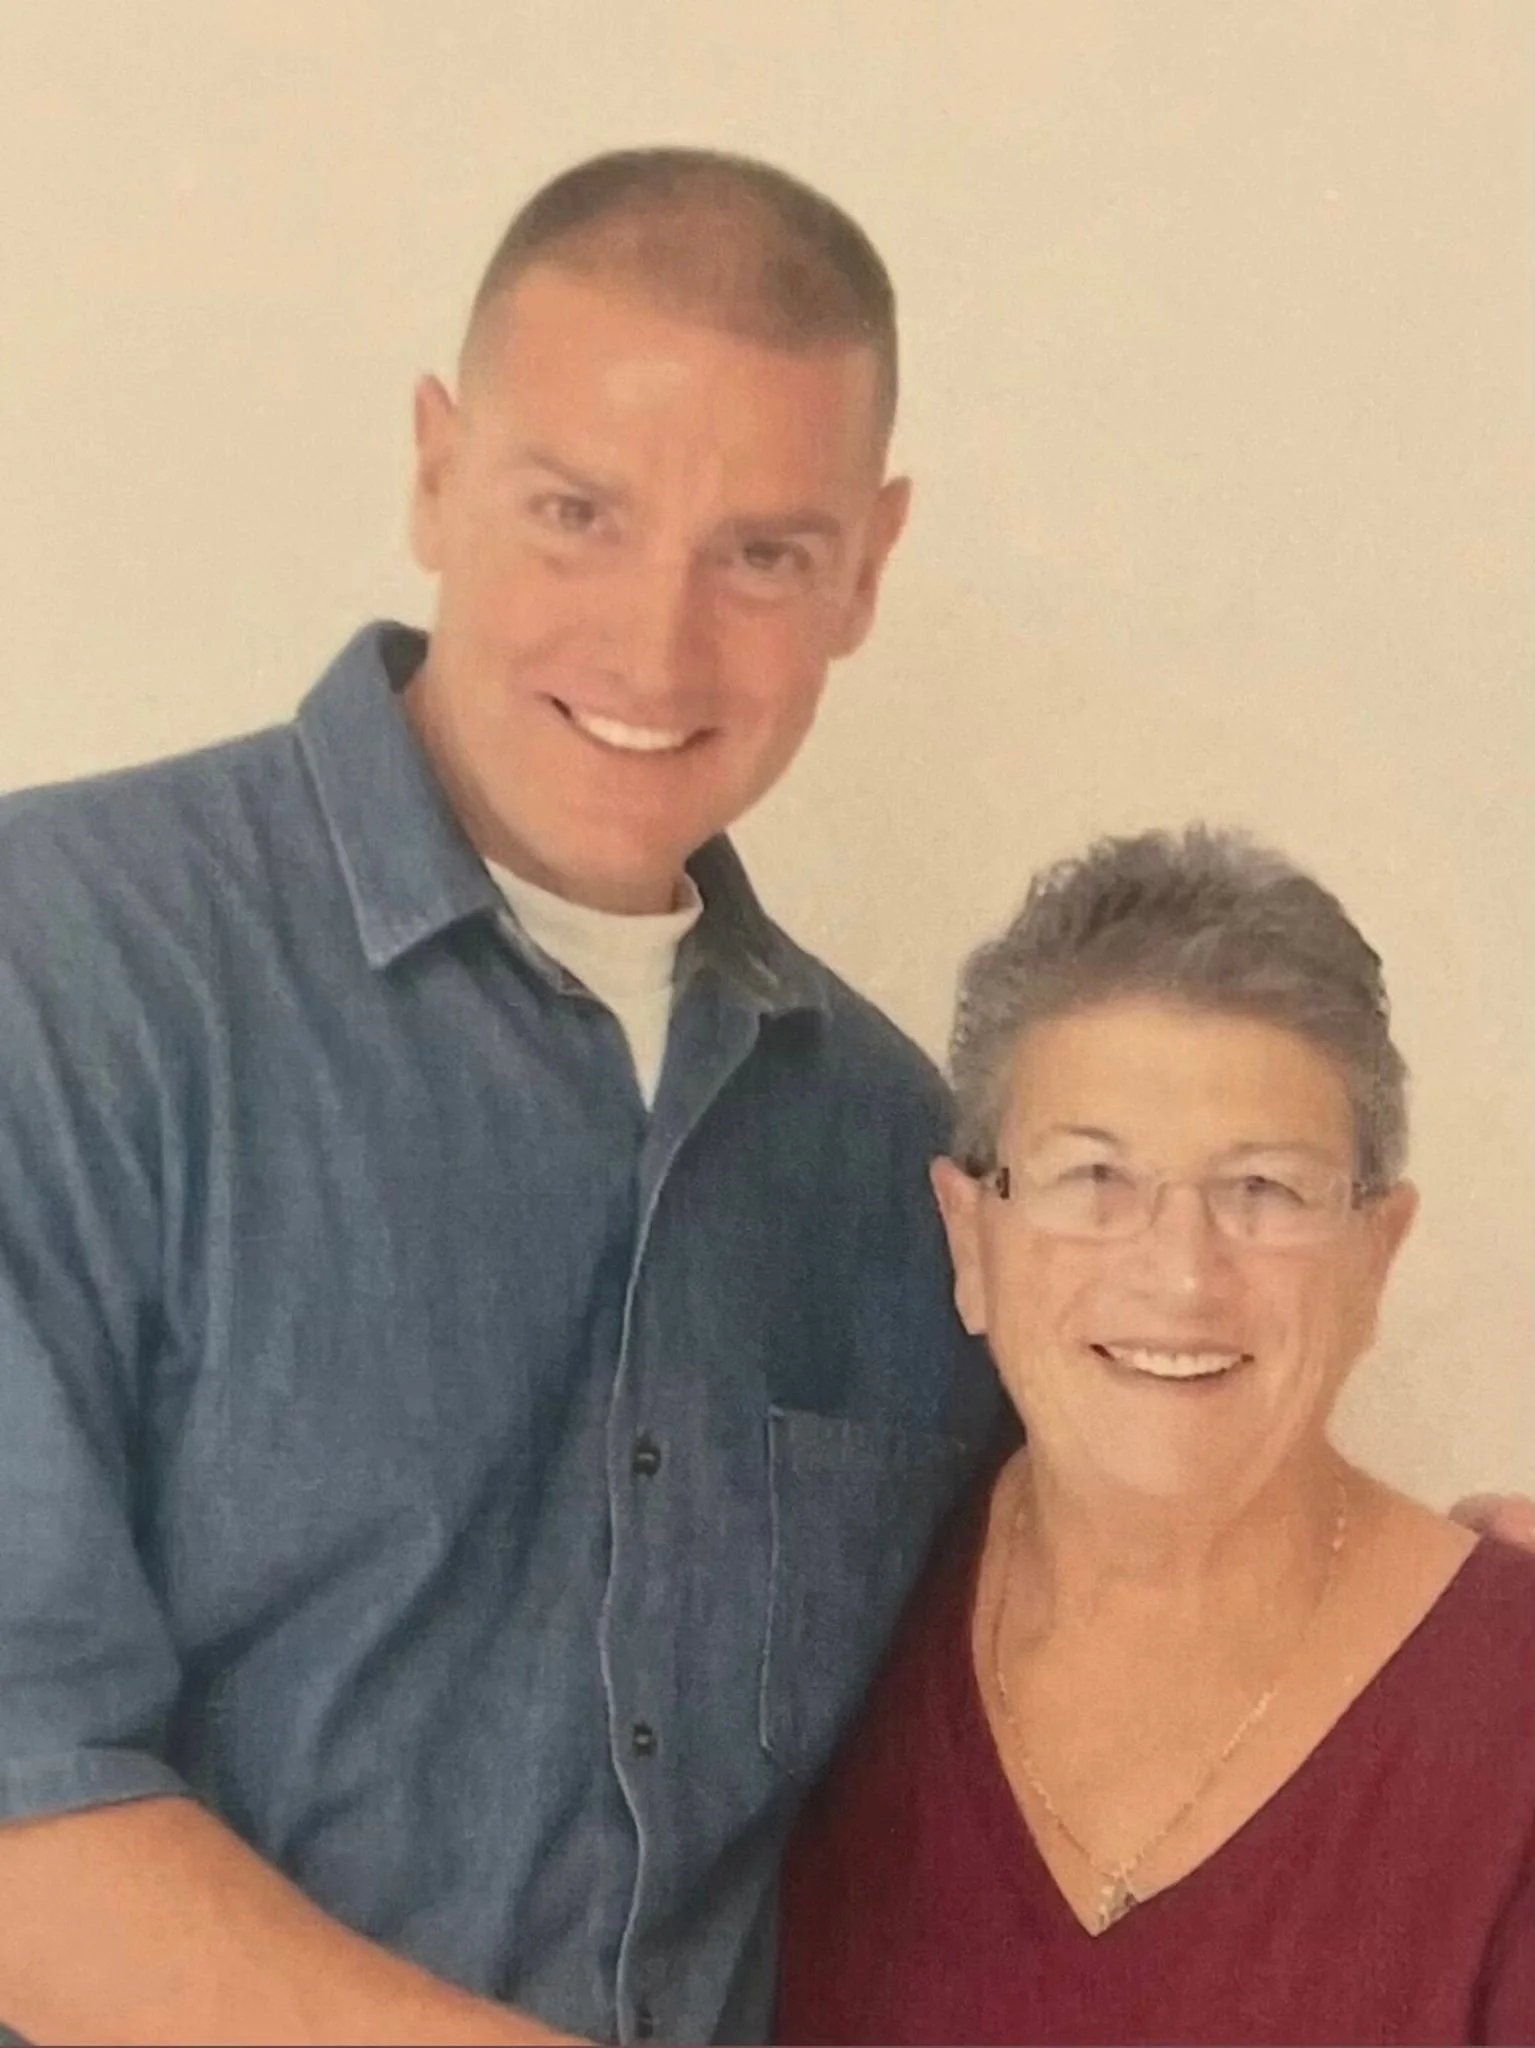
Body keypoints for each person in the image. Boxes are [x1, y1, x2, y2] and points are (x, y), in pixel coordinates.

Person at [0, 150, 1525, 2048]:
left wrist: (1451, 1618)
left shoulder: (889, 1147)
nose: (654, 645)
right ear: (434, 467)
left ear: (866, 566)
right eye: (577, 512)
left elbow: (1137, 1493)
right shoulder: (59, 970)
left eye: (762, 556)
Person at [777, 827, 1535, 2046]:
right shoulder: (828, 1625)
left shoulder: (1509, 1712)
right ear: (970, 1239)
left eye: (1263, 1189)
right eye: (1092, 1178)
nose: (1180, 1274)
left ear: (1373, 1254)